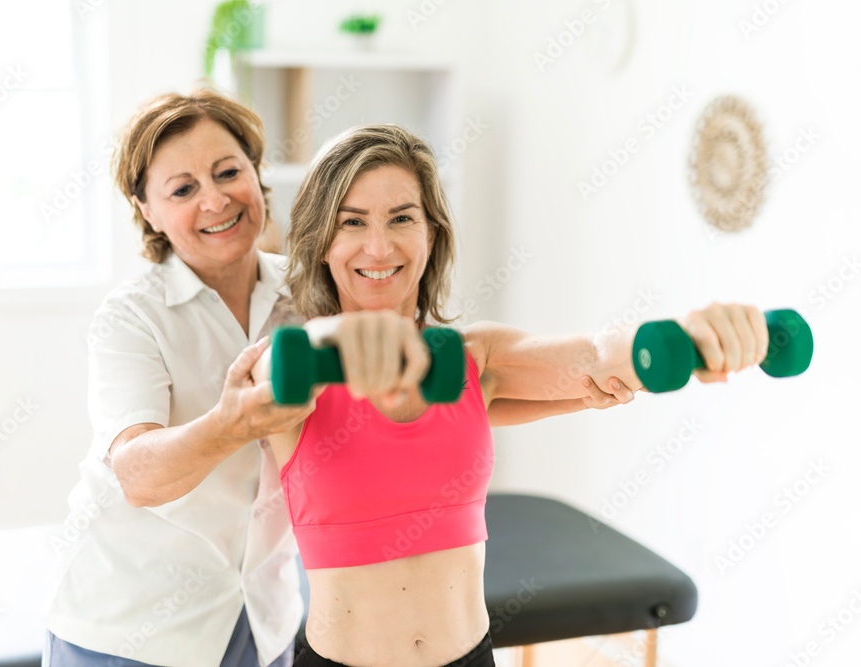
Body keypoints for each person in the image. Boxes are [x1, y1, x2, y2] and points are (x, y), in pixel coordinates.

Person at [253, 124, 769, 667]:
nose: (379, 246)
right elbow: (279, 366)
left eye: (401, 218)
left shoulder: (475, 358)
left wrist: (690, 337)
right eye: (351, 222)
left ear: (431, 233)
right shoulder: (292, 368)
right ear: (320, 243)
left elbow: (598, 356)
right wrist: (341, 339)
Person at [41, 88, 317, 667]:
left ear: (255, 172)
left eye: (227, 172)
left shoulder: (308, 294)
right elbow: (136, 473)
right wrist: (229, 424)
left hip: (262, 617)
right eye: (183, 189)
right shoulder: (131, 318)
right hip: (133, 628)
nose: (215, 200)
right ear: (149, 212)